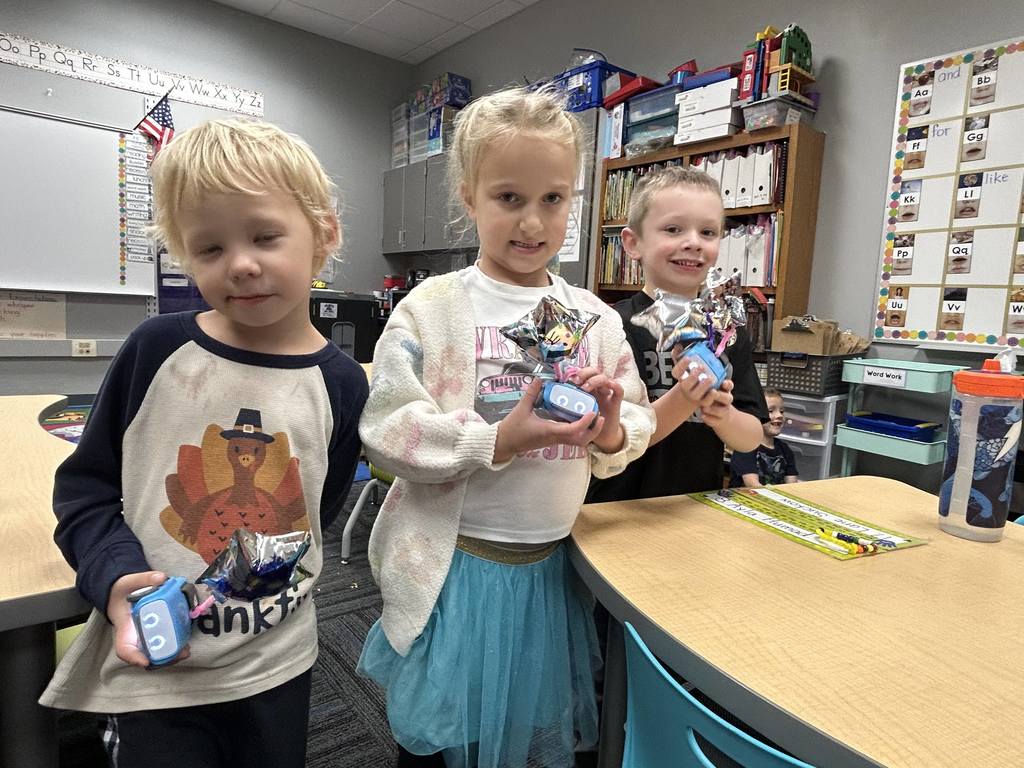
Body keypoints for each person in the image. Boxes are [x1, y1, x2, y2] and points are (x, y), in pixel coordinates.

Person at [39, 118, 368, 768]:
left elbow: (312, 518)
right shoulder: (155, 350)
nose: (240, 264)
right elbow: (86, 493)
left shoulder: (340, 383)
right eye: (209, 249)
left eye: (265, 236)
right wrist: (119, 580)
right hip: (155, 674)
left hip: (278, 667)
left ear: (323, 233)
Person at [356, 86, 656, 768]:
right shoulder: (429, 309)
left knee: (533, 738)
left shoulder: (595, 318)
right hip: (454, 572)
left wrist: (610, 430)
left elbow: (632, 418)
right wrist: (497, 440)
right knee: (442, 741)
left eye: (552, 199)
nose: (532, 221)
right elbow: (387, 429)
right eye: (508, 198)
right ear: (469, 198)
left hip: (550, 578)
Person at [587, 165, 766, 504]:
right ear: (633, 243)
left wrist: (723, 417)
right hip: (615, 510)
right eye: (673, 229)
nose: (693, 243)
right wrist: (686, 398)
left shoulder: (727, 332)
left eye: (708, 232)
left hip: (696, 507)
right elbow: (606, 439)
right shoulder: (610, 324)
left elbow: (752, 436)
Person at [730, 387, 800, 487]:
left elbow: (791, 485)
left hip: (774, 498)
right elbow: (752, 485)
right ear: (753, 415)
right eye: (771, 411)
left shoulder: (785, 450)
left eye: (782, 411)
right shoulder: (745, 448)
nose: (779, 415)